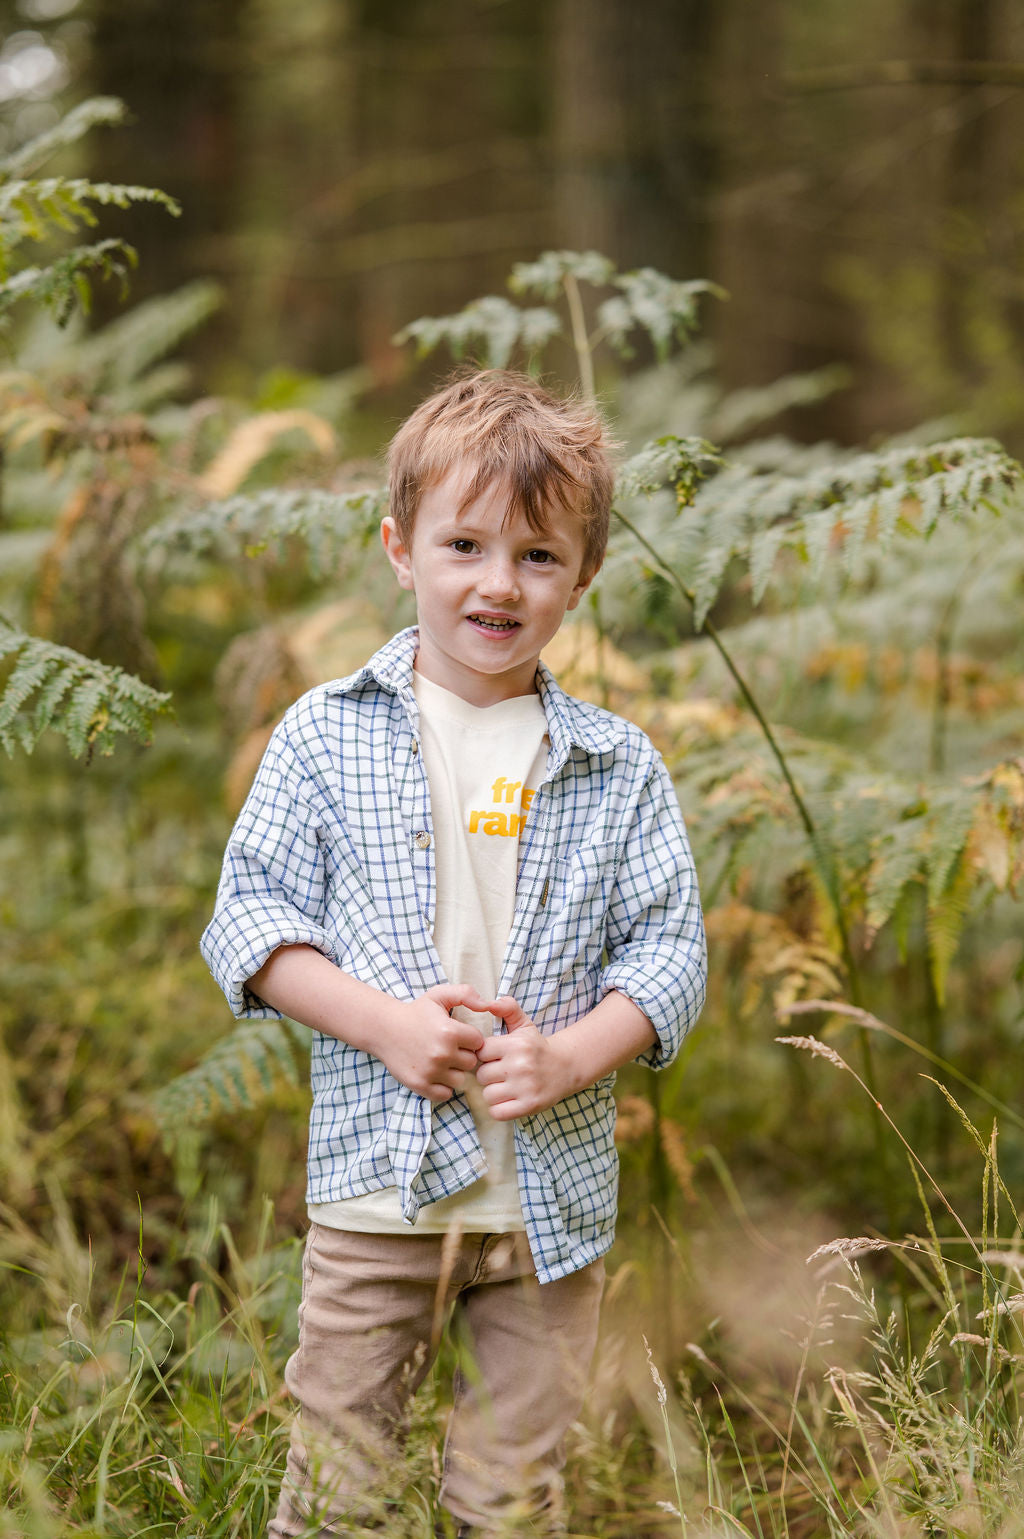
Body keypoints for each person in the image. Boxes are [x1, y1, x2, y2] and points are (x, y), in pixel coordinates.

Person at [201, 369, 706, 1537]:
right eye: (464, 544)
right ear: (399, 547)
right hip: (377, 1197)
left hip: (546, 1208)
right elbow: (250, 919)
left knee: (516, 1498)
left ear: (582, 576)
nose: (498, 583)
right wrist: (384, 1024)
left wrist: (577, 1054)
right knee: (340, 1484)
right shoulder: (328, 732)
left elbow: (671, 945)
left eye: (537, 556)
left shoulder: (614, 761)